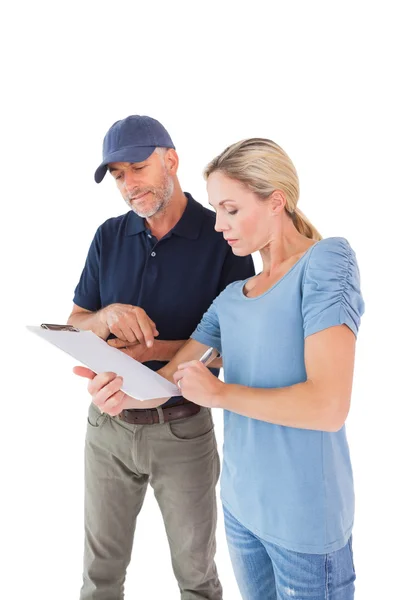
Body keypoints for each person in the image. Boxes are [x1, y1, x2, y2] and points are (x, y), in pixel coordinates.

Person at [80, 138, 365, 600]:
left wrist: (220, 394)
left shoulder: (326, 261)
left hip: (305, 518)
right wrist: (123, 394)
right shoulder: (233, 298)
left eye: (230, 209)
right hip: (241, 511)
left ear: (277, 201)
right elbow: (174, 376)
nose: (218, 225)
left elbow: (329, 406)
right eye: (215, 209)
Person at [69, 115, 255, 600]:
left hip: (183, 429)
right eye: (117, 175)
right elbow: (74, 322)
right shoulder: (109, 236)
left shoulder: (224, 236)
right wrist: (104, 316)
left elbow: (236, 344)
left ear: (171, 161)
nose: (129, 185)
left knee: (197, 579)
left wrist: (157, 348)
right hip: (107, 427)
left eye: (137, 168)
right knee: (98, 578)